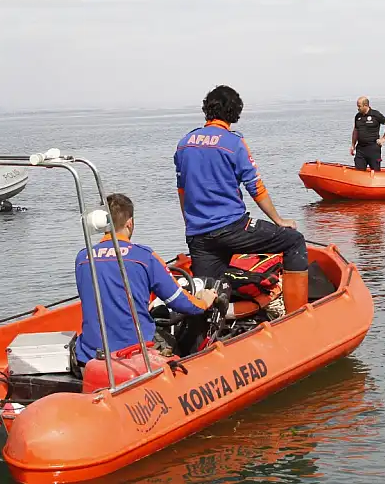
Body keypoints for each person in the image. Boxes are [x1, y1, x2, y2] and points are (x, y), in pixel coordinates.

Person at [173, 85, 309, 314]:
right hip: (232, 229)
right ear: (235, 112)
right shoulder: (233, 142)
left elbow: (182, 190)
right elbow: (255, 187)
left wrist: (191, 226)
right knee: (294, 240)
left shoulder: (184, 143)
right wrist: (279, 219)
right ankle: (296, 315)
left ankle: (202, 342)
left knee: (208, 296)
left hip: (199, 235)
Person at [72, 193, 218, 369]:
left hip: (90, 353)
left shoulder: (82, 257)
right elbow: (181, 303)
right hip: (133, 352)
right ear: (130, 222)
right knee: (179, 340)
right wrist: (204, 301)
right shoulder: (144, 257)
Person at [350, 96, 385, 171]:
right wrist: (353, 145)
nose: (358, 108)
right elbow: (355, 131)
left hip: (373, 148)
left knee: (376, 171)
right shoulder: (358, 116)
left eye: (359, 106)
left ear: (366, 105)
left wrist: (384, 138)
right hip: (360, 149)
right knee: (359, 172)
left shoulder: (375, 114)